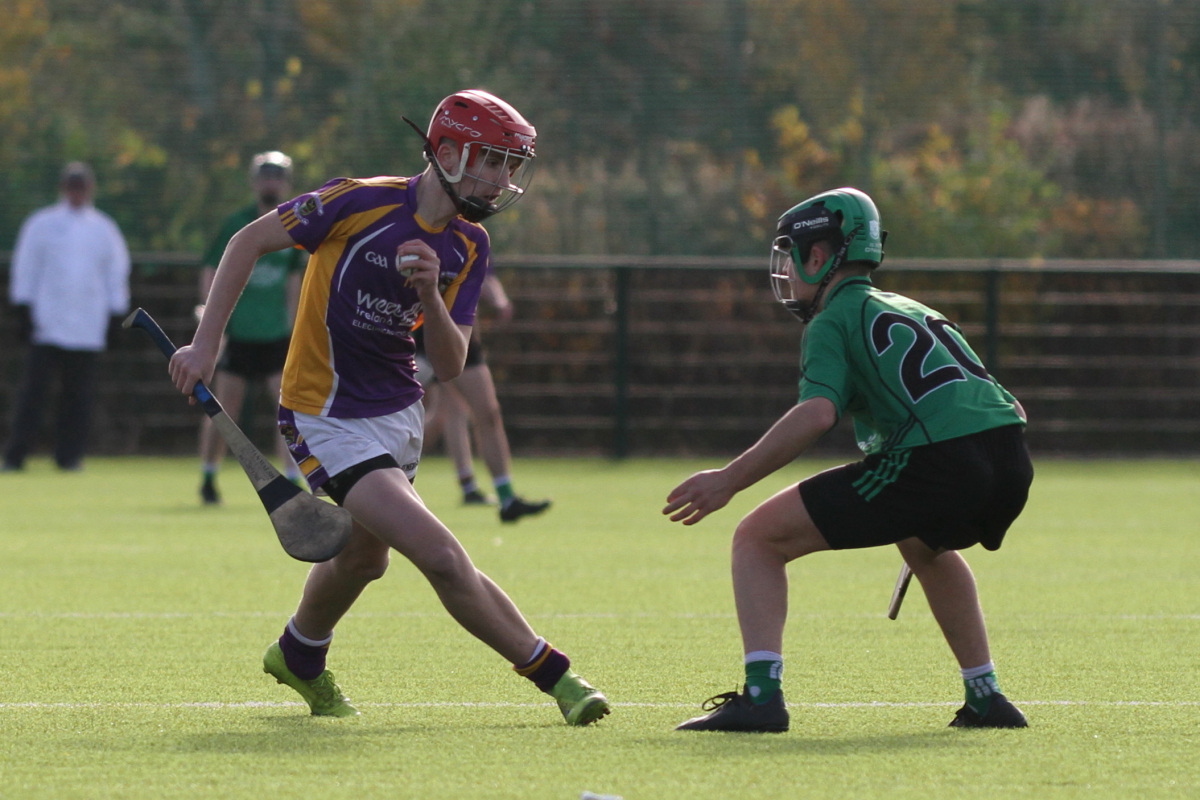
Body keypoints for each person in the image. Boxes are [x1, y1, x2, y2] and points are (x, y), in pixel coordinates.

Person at [166, 89, 609, 725]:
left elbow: (451, 364)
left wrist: (430, 291)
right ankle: (555, 675)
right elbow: (246, 242)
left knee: (365, 557)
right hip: (323, 414)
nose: (503, 178)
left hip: (399, 415)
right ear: (449, 153)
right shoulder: (358, 200)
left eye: (511, 165)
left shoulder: (470, 246)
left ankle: (298, 654)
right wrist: (207, 344)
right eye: (492, 161)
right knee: (440, 555)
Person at [665, 188, 1032, 733]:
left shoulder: (833, 318)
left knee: (756, 538)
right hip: (1011, 457)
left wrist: (729, 479)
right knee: (923, 544)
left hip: (940, 460)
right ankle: (986, 696)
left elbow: (816, 415)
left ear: (819, 256)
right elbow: (997, 404)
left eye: (793, 255)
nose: (787, 270)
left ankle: (761, 699)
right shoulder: (917, 308)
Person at [2, 162, 130, 472]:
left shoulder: (104, 228)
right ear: (63, 188)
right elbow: (26, 266)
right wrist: (24, 308)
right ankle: (15, 455)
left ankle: (69, 456)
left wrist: (116, 314)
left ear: (89, 189)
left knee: (79, 399)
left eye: (81, 186)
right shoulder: (41, 224)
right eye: (71, 186)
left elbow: (116, 273)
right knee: (32, 395)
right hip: (47, 324)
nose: (76, 192)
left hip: (88, 326)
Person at [195, 151, 306, 504]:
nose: (271, 182)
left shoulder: (292, 224)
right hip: (239, 332)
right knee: (223, 410)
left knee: (287, 409)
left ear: (286, 182)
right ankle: (209, 476)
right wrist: (213, 321)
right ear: (255, 181)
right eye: (265, 176)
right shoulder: (237, 223)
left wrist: (294, 327)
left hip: (275, 334)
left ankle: (292, 477)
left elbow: (293, 279)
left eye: (277, 176)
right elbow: (212, 269)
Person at [415, 273, 552, 522]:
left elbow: (486, 277)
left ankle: (499, 496)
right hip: (423, 334)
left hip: (459, 333)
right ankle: (377, 481)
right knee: (433, 416)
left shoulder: (472, 236)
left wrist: (499, 301)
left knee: (470, 412)